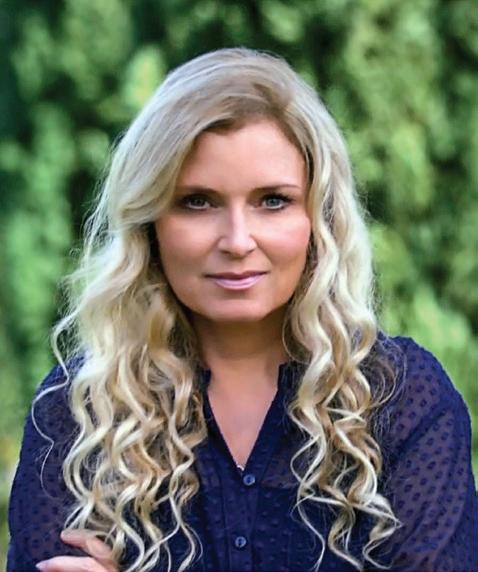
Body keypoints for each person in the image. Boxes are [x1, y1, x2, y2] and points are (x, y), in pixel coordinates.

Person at [7, 47, 478, 572]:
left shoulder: (402, 400)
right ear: (150, 224)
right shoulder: (79, 411)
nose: (237, 241)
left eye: (272, 200)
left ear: (319, 218)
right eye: (197, 201)